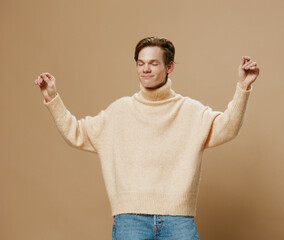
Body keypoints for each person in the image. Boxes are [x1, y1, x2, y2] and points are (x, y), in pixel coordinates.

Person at [34, 36, 260, 240]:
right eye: (141, 63)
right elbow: (76, 133)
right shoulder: (120, 111)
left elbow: (227, 128)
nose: (145, 69)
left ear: (169, 66)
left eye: (153, 63)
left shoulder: (190, 110)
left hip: (178, 220)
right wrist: (53, 98)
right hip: (130, 220)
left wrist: (243, 87)